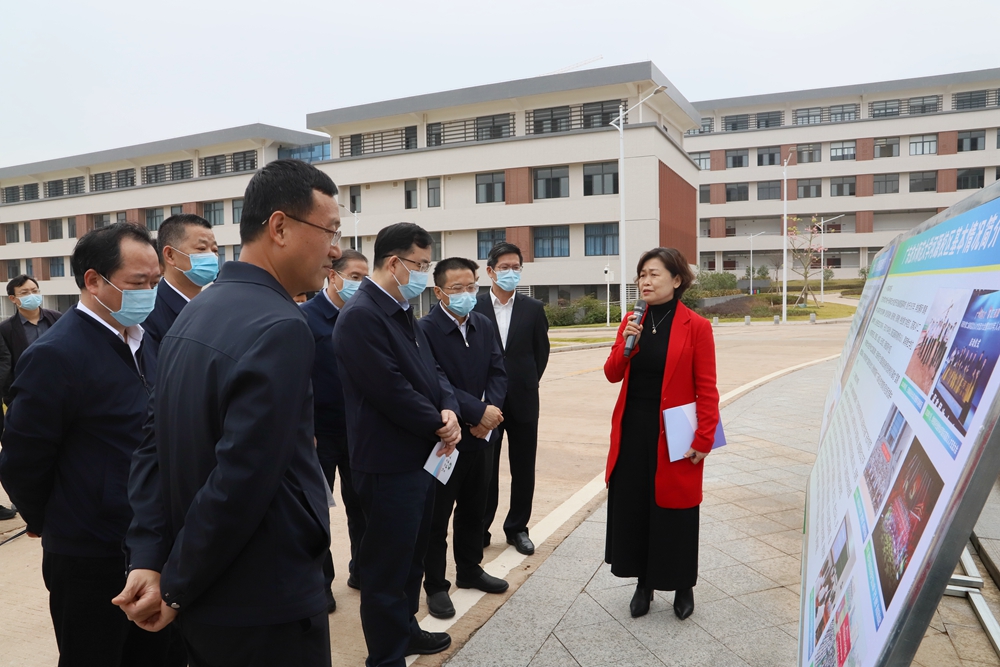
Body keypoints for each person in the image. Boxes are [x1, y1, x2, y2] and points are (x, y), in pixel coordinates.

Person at [120, 159, 339, 666]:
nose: (334, 249)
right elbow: (241, 479)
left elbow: (151, 449)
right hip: (264, 599)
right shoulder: (282, 326)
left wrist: (152, 558)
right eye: (329, 230)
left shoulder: (196, 310)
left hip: (209, 598)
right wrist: (175, 583)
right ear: (279, 227)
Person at [0, 222, 181, 666]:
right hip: (90, 552)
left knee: (158, 655)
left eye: (155, 282)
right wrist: (57, 520)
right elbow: (23, 460)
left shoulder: (149, 341)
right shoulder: (56, 354)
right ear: (94, 280)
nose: (150, 293)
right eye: (137, 283)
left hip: (153, 542)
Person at [333, 222, 462, 665]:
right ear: (394, 262)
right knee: (386, 568)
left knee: (411, 558)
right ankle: (385, 656)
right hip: (388, 463)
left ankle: (406, 631)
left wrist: (449, 408)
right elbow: (389, 389)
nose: (425, 273)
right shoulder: (362, 316)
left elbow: (433, 371)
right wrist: (439, 424)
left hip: (419, 457)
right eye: (420, 265)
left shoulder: (402, 309)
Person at [602, 247, 719, 621]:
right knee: (636, 506)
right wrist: (627, 345)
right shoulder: (632, 320)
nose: (645, 281)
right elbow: (612, 373)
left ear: (676, 279)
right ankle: (643, 584)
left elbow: (707, 388)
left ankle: (683, 585)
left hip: (677, 430)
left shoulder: (696, 326)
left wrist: (704, 439)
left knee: (677, 509)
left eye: (654, 274)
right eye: (642, 275)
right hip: (634, 429)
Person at [419, 257, 509, 620]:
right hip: (447, 438)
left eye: (471, 286)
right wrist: (477, 412)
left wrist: (490, 415)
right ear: (439, 291)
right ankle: (436, 585)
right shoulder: (424, 330)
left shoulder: (482, 323)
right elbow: (435, 380)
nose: (466, 294)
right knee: (437, 516)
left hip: (482, 436)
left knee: (475, 508)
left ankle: (470, 569)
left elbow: (498, 371)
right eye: (457, 288)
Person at [300, 248, 370, 612]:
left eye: (365, 278)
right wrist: (304, 427)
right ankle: (320, 582)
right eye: (354, 277)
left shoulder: (364, 316)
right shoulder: (305, 318)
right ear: (333, 276)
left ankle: (362, 570)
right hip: (319, 435)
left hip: (359, 432)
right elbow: (296, 378)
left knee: (362, 507)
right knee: (317, 512)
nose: (360, 284)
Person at [474, 242, 549, 555]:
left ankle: (517, 528)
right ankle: (480, 529)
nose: (510, 272)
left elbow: (540, 353)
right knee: (484, 470)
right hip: (485, 403)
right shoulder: (474, 306)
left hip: (523, 401)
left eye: (516, 267)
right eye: (504, 267)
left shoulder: (533, 309)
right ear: (490, 271)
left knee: (523, 468)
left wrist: (525, 383)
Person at [142, 213, 218, 380]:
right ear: (170, 255)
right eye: (201, 249)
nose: (212, 257)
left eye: (215, 250)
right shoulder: (148, 311)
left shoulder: (216, 308)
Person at [0, 274, 62, 406]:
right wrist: (11, 399)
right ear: (13, 298)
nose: (32, 295)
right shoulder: (6, 329)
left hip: (59, 387)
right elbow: (7, 366)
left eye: (35, 291)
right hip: (26, 394)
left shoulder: (57, 318)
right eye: (24, 293)